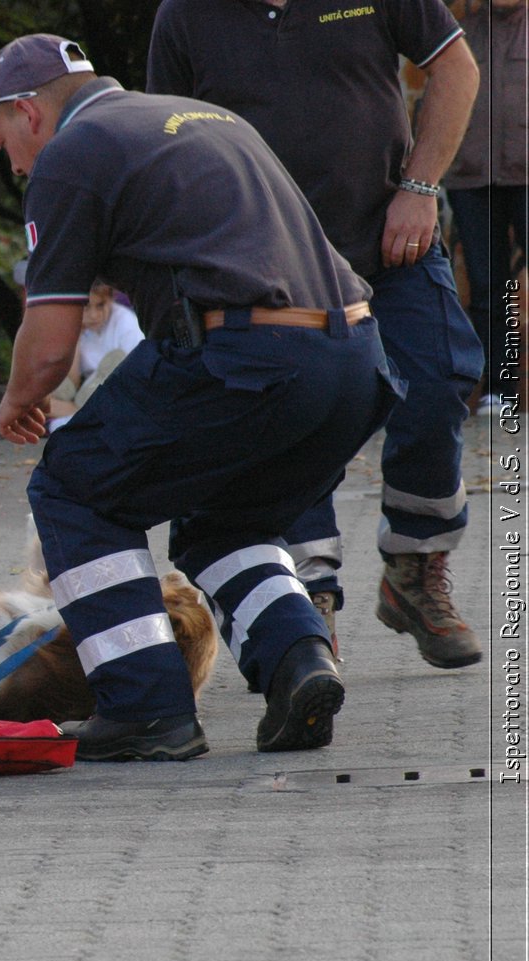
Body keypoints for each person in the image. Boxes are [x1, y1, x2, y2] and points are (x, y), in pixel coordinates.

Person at [0, 35, 398, 760]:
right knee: (225, 520)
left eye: (0, 137)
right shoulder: (200, 115)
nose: (9, 161)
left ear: (26, 112)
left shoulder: (74, 154)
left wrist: (15, 400)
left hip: (248, 355)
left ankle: (146, 708)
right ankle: (299, 660)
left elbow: (46, 348)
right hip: (354, 360)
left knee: (75, 485)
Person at [148, 0, 485, 669]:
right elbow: (167, 138)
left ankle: (416, 567)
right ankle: (306, 603)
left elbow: (456, 66)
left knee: (440, 378)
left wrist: (420, 187)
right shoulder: (184, 14)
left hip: (389, 237)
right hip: (266, 266)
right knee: (295, 416)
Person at [445, 0, 527, 414]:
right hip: (471, 178)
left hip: (526, 174)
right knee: (485, 287)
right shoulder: (460, 32)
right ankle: (498, 389)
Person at [46, 281, 143, 432]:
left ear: (110, 301)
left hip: (116, 391)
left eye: (100, 306)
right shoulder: (73, 324)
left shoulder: (125, 322)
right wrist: (75, 337)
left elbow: (137, 373)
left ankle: (80, 418)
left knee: (116, 360)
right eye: (86, 307)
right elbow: (72, 383)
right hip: (84, 394)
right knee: (51, 388)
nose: (93, 315)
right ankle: (82, 417)